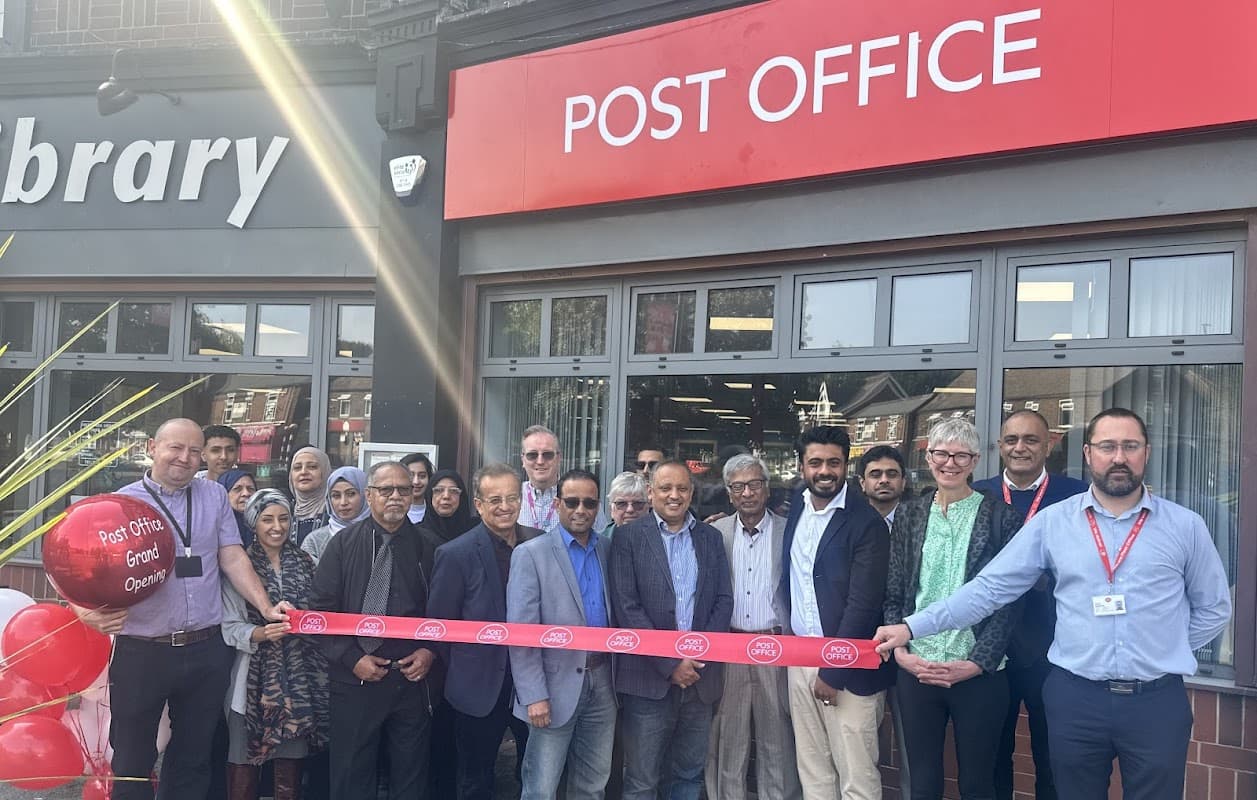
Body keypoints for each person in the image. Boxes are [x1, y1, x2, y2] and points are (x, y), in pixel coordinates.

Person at [875, 408, 1232, 800]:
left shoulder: (1185, 526)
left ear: (1146, 453)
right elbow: (989, 589)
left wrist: (1161, 647)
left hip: (1156, 701)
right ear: (1088, 454)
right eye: (1107, 446)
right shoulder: (1054, 523)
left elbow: (1214, 608)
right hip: (1077, 698)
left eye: (1130, 446)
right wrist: (912, 627)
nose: (1118, 457)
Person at [72, 418, 291, 800]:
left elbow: (231, 555)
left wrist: (266, 606)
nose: (185, 458)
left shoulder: (214, 496)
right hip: (143, 650)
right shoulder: (120, 504)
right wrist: (83, 612)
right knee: (132, 759)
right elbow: (79, 563)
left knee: (193, 757)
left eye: (194, 451)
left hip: (206, 649)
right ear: (152, 448)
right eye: (176, 447)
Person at [881, 418, 1022, 800]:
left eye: (961, 455)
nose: (950, 463)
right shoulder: (909, 515)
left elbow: (1010, 602)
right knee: (923, 782)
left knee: (978, 783)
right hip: (918, 668)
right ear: (928, 457)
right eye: (941, 454)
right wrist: (901, 652)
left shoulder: (1001, 517)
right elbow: (895, 592)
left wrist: (976, 663)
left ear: (975, 461)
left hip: (977, 673)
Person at [970, 410, 1089, 800]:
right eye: (1011, 440)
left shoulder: (1076, 496)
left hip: (1053, 647)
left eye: (1031, 440)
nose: (1020, 447)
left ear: (1049, 445)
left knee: (1052, 756)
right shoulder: (977, 494)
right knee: (992, 755)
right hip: (990, 648)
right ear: (999, 446)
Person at [309, 461, 443, 800]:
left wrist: (429, 651)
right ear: (369, 496)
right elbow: (320, 613)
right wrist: (352, 658)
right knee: (351, 778)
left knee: (411, 780)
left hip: (412, 680)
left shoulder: (430, 547)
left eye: (403, 490)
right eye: (386, 490)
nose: (395, 496)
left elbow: (443, 611)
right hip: (355, 678)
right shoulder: (342, 545)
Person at [608, 459, 733, 800]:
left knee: (688, 776)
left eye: (682, 488)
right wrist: (670, 663)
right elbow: (627, 608)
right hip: (648, 681)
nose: (674, 495)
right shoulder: (628, 538)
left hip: (700, 679)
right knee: (641, 780)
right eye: (665, 488)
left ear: (692, 493)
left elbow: (723, 600)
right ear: (651, 493)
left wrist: (697, 658)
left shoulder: (710, 538)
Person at [779, 427, 892, 800]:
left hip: (848, 668)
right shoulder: (796, 507)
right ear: (802, 466)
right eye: (816, 462)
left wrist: (834, 668)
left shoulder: (867, 523)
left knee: (856, 777)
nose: (825, 471)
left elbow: (864, 604)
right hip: (800, 658)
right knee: (813, 771)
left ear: (846, 466)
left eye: (834, 463)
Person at [428, 463, 539, 800]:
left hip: (534, 686)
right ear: (477, 504)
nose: (505, 506)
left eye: (511, 498)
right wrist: (468, 665)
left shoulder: (541, 543)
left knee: (535, 777)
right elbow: (441, 626)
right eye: (495, 499)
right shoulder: (455, 554)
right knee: (475, 782)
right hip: (478, 688)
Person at [507, 469, 616, 800]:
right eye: (572, 502)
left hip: (603, 681)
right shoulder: (530, 553)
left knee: (592, 785)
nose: (581, 510)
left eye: (589, 503)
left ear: (598, 507)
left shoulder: (607, 549)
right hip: (552, 687)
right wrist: (533, 695)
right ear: (557, 504)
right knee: (540, 788)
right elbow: (521, 631)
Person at [221, 490, 328, 800]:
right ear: (253, 523)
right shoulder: (239, 568)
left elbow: (321, 615)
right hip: (250, 680)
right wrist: (262, 634)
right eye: (267, 519)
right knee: (243, 756)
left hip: (298, 681)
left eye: (284, 518)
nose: (277, 527)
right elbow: (229, 627)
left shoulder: (308, 562)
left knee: (291, 760)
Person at [706, 454, 800, 800]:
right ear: (729, 493)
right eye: (738, 487)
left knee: (778, 738)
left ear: (767, 489)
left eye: (754, 484)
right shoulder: (715, 532)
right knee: (728, 738)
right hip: (730, 648)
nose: (747, 493)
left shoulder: (790, 531)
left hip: (775, 647)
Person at [518, 425, 609, 534]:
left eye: (548, 455)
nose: (540, 461)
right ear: (523, 459)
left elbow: (600, 539)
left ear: (559, 458)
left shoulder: (585, 498)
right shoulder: (512, 498)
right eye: (532, 455)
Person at [302, 466, 371, 565]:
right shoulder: (315, 540)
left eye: (351, 494)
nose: (343, 502)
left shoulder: (378, 535)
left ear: (365, 495)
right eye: (336, 496)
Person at [856, 445, 908, 528]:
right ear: (863, 483)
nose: (884, 480)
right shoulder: (852, 523)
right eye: (875, 475)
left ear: (903, 482)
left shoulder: (918, 522)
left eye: (892, 474)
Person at [422, 469, 477, 544]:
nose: (446, 496)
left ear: (461, 497)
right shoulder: (417, 534)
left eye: (453, 491)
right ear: (430, 496)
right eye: (439, 490)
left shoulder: (475, 532)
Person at [289, 446, 332, 546]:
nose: (303, 472)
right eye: (297, 468)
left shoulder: (335, 513)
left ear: (324, 472)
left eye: (312, 467)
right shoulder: (285, 511)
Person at [218, 469, 258, 548]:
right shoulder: (217, 526)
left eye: (250, 489)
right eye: (237, 489)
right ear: (224, 494)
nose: (246, 493)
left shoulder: (263, 522)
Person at [602, 471, 649, 537]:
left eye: (637, 503)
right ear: (611, 510)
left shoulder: (661, 539)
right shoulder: (598, 542)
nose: (630, 509)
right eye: (622, 503)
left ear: (647, 508)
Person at [401, 452, 435, 526]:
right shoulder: (391, 510)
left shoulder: (436, 512)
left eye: (422, 476)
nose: (416, 482)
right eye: (411, 476)